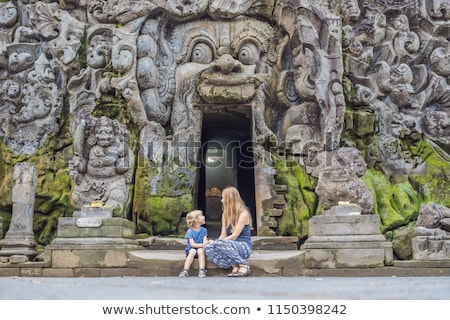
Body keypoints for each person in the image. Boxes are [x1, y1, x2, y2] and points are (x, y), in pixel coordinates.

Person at [204, 186, 252, 277]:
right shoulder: (225, 214)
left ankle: (243, 265)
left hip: (243, 246)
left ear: (229, 199)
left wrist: (217, 242)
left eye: (223, 198)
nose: (221, 200)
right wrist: (214, 243)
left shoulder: (244, 214)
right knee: (207, 248)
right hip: (228, 245)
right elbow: (223, 235)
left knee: (219, 243)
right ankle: (234, 265)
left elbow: (234, 236)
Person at [178, 210, 209, 278]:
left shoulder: (204, 230)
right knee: (193, 251)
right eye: (201, 215)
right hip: (191, 249)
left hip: (200, 250)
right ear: (196, 219)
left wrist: (206, 244)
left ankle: (202, 270)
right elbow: (192, 244)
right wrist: (203, 245)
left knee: (200, 250)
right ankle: (185, 270)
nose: (203, 217)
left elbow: (205, 241)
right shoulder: (190, 231)